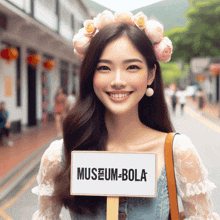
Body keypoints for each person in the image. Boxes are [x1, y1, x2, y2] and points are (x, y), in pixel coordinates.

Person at [32, 11, 219, 219]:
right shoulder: (59, 155)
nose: (118, 80)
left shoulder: (178, 152)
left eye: (132, 67)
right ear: (90, 75)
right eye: (104, 68)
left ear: (150, 75)